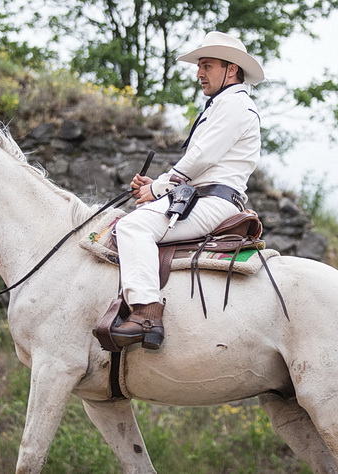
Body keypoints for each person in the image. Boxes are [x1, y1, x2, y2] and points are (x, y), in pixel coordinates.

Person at [110, 31, 265, 350]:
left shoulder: (235, 104)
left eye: (207, 65)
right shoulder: (223, 104)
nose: (199, 74)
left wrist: (159, 187)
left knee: (132, 226)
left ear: (231, 69)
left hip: (213, 201)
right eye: (199, 66)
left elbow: (201, 158)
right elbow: (202, 166)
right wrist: (157, 189)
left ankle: (146, 312)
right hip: (202, 197)